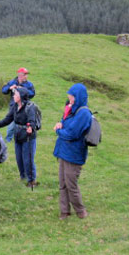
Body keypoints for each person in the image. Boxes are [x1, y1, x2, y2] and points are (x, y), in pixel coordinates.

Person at [53, 83, 93, 220]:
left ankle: (81, 211)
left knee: (71, 185)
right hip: (64, 151)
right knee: (62, 184)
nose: (70, 99)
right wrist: (60, 124)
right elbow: (65, 124)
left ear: (78, 97)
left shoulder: (83, 113)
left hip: (74, 154)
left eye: (72, 97)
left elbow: (72, 134)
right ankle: (64, 212)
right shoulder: (71, 109)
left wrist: (58, 130)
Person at [0, 87, 38, 187]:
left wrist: (31, 127)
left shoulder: (30, 107)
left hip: (28, 136)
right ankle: (23, 177)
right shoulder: (15, 106)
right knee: (19, 158)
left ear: (21, 96)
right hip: (18, 134)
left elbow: (32, 120)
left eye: (16, 94)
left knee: (28, 159)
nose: (13, 96)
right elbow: (7, 119)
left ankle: (32, 181)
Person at [1, 67, 35, 142]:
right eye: (25, 74)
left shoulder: (29, 84)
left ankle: (26, 137)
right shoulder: (12, 82)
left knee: (24, 123)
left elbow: (32, 94)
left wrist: (23, 89)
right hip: (14, 106)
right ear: (20, 75)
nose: (26, 76)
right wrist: (10, 88)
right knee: (11, 122)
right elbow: (3, 90)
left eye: (26, 74)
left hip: (25, 107)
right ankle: (8, 139)